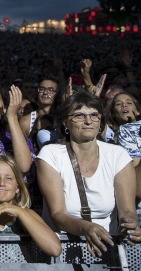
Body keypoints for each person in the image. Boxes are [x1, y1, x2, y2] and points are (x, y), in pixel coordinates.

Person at [36, 91, 141, 256]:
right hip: (62, 249)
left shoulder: (118, 155)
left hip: (108, 248)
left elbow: (127, 210)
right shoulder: (50, 155)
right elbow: (58, 215)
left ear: (101, 121)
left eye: (94, 115)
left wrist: (130, 224)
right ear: (65, 123)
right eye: (79, 115)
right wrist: (87, 228)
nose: (88, 121)